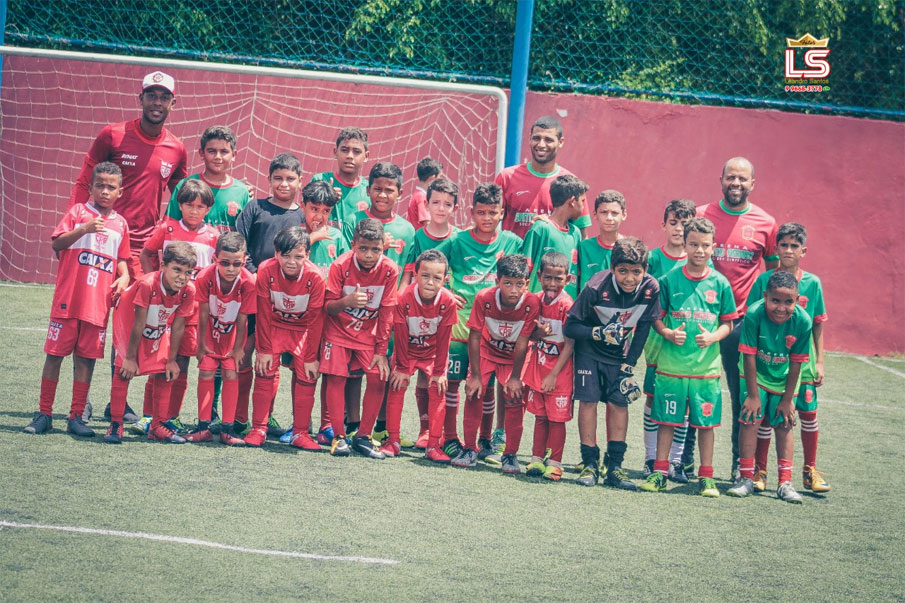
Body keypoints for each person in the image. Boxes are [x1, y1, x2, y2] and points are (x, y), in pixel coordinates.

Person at [25, 162, 130, 436]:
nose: (105, 191)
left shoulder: (121, 224)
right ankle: (44, 413)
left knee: (86, 359)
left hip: (97, 305)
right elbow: (57, 244)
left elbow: (121, 259)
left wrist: (126, 276)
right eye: (100, 185)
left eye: (111, 187)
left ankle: (76, 416)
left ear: (120, 191)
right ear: (91, 188)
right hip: (68, 300)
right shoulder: (78, 213)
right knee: (54, 356)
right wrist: (84, 229)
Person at [640, 217, 737, 497]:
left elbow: (728, 323)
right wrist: (668, 333)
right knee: (667, 421)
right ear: (685, 244)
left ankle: (707, 477)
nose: (699, 250)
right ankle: (659, 473)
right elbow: (655, 318)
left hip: (705, 370)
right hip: (671, 367)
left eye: (705, 245)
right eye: (693, 244)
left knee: (705, 425)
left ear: (713, 247)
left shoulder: (720, 283)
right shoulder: (669, 280)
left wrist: (713, 337)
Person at [698, 157, 778, 476]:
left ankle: (738, 464)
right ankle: (682, 460)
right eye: (731, 177)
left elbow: (773, 276)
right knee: (692, 388)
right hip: (700, 320)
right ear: (720, 180)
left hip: (742, 323)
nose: (736, 183)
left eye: (742, 179)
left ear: (752, 184)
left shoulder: (766, 223)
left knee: (742, 396)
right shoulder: (701, 215)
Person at [69, 71, 187, 281]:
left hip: (142, 247)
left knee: (137, 302)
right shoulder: (112, 135)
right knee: (95, 301)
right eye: (151, 96)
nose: (157, 103)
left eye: (164, 98)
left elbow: (184, 197)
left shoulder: (177, 149)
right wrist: (72, 226)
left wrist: (167, 228)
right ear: (141, 98)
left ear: (173, 103)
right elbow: (83, 183)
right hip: (103, 235)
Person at [435, 183, 524, 463]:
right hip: (460, 328)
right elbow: (433, 267)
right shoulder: (456, 241)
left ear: (502, 213)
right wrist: (445, 292)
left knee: (485, 388)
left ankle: (485, 440)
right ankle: (450, 438)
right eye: (481, 212)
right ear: (472, 212)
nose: (487, 218)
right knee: (452, 385)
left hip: (492, 334)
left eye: (493, 212)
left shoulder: (512, 242)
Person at [564, 237, 659, 490]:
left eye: (636, 271)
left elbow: (644, 327)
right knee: (588, 402)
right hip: (589, 352)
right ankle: (590, 463)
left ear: (645, 270)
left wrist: (629, 365)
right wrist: (597, 333)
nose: (629, 278)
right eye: (623, 271)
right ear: (612, 268)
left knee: (619, 403)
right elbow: (570, 326)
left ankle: (615, 466)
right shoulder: (595, 287)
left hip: (619, 355)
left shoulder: (651, 287)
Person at [745, 223, 830, 493]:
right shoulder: (764, 280)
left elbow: (817, 324)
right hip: (769, 363)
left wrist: (819, 362)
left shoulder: (812, 283)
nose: (789, 250)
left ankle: (809, 470)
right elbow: (752, 319)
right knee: (766, 416)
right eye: (784, 245)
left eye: (795, 246)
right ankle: (760, 470)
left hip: (802, 361)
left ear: (803, 251)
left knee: (806, 413)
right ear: (776, 248)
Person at [137, 179, 218, 433]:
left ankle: (171, 416)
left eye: (200, 206)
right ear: (180, 205)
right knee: (158, 362)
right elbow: (145, 254)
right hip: (164, 311)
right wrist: (153, 283)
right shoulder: (167, 228)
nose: (194, 211)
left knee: (182, 363)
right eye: (189, 205)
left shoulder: (213, 236)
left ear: (208, 209)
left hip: (193, 313)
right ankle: (148, 416)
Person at [234, 152, 305, 437]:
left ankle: (266, 417)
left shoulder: (302, 216)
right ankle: (238, 416)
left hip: (283, 299)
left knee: (271, 361)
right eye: (278, 178)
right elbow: (239, 243)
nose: (284, 184)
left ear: (300, 181)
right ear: (269, 179)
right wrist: (254, 274)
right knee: (244, 355)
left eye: (290, 179)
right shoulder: (255, 207)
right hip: (252, 291)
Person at [727, 271, 811, 504]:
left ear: (797, 300)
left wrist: (787, 400)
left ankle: (785, 483)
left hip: (784, 379)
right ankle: (746, 478)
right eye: (775, 300)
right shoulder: (754, 314)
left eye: (788, 302)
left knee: (784, 423)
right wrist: (753, 396)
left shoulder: (803, 321)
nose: (781, 308)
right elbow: (748, 356)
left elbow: (796, 363)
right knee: (749, 419)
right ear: (765, 296)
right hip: (755, 375)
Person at [451, 254, 540, 471]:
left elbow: (523, 341)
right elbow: (474, 335)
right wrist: (475, 376)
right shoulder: (484, 298)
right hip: (487, 351)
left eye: (519, 284)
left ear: (527, 284)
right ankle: (470, 449)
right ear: (497, 281)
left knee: (514, 398)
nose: (513, 290)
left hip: (514, 358)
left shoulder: (531, 303)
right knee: (474, 392)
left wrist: (516, 378)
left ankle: (510, 454)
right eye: (507, 283)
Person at [320, 218, 398, 457]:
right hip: (338, 332)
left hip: (367, 335)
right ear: (353, 245)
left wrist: (381, 351)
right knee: (336, 378)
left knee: (378, 377)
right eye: (363, 248)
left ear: (383, 247)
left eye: (376, 249)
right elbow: (328, 307)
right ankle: (339, 437)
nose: (369, 255)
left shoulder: (390, 270)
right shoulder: (340, 265)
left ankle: (363, 437)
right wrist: (347, 302)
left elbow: (387, 313)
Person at [106, 241, 196, 444]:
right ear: (163, 266)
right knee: (123, 371)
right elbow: (137, 323)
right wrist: (130, 357)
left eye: (188, 272)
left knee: (165, 369)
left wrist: (172, 359)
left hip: (156, 324)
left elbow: (179, 326)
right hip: (128, 323)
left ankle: (157, 426)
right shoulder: (147, 284)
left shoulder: (189, 290)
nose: (182, 277)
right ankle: (116, 424)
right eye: (177, 270)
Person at [245, 226, 326, 448]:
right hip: (274, 326)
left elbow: (316, 320)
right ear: (276, 253)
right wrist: (263, 349)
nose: (291, 262)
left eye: (298, 256)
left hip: (302, 329)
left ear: (307, 255)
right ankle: (259, 428)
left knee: (308, 374)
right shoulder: (266, 270)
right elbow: (263, 313)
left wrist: (311, 357)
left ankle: (300, 433)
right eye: (286, 255)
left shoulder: (315, 277)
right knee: (264, 370)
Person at [399, 177, 460, 448]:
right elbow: (409, 273)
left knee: (441, 374)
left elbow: (458, 273)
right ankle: (425, 430)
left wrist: (450, 294)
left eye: (447, 204)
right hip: (417, 311)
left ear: (455, 208)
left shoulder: (459, 237)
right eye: (436, 202)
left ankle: (446, 433)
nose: (441, 208)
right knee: (417, 371)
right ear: (427, 204)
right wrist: (401, 299)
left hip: (446, 313)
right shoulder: (418, 236)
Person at [640, 199, 696, 480]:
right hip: (657, 341)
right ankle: (651, 458)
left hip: (687, 344)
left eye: (684, 224)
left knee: (683, 402)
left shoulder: (697, 260)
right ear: (663, 225)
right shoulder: (652, 259)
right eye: (673, 223)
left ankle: (675, 461)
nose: (678, 229)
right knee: (653, 399)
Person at [186, 232, 256, 446]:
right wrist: (201, 343)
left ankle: (227, 429)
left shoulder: (248, 282)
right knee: (206, 371)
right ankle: (203, 428)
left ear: (244, 261)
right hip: (210, 334)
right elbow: (203, 312)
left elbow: (243, 318)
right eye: (225, 263)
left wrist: (238, 348)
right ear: (215, 258)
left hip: (232, 337)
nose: (230, 269)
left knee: (230, 373)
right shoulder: (205, 277)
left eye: (237, 264)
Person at [387, 249, 457, 460]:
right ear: (415, 275)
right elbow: (400, 334)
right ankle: (392, 441)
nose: (430, 282)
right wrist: (401, 367)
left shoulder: (448, 301)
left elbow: (444, 340)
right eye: (425, 276)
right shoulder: (403, 297)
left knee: (438, 388)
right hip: (407, 352)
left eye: (437, 278)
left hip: (433, 354)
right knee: (397, 384)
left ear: (445, 279)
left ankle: (433, 445)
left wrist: (439, 371)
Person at [522, 252, 575, 482]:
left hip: (559, 373)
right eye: (548, 278)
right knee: (540, 416)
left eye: (558, 279)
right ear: (539, 276)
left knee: (556, 419)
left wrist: (554, 374)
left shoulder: (567, 305)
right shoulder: (535, 300)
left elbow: (570, 344)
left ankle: (554, 463)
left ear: (568, 279)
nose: (552, 284)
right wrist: (538, 333)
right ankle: (536, 458)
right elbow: (528, 335)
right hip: (539, 369)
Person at [494, 115, 591, 239]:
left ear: (560, 142)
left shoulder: (572, 184)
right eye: (536, 138)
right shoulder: (506, 177)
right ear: (529, 139)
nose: (541, 144)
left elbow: (582, 235)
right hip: (514, 252)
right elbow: (487, 220)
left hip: (555, 252)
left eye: (548, 140)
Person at [164, 125, 250, 233]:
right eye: (212, 151)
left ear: (233, 155)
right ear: (201, 153)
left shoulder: (242, 192)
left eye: (224, 151)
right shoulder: (184, 186)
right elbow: (169, 228)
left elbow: (246, 235)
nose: (218, 157)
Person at [343, 161, 415, 274]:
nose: (382, 195)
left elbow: (407, 272)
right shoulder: (353, 221)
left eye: (389, 190)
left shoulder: (407, 230)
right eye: (377, 189)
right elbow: (345, 262)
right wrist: (378, 247)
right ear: (368, 190)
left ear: (399, 194)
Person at [521, 174, 587, 300]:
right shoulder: (541, 228)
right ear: (573, 201)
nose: (583, 207)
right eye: (582, 201)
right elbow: (524, 269)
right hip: (538, 304)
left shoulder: (576, 233)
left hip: (566, 307)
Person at [311, 127, 370, 232]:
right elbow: (306, 216)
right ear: (335, 152)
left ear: (366, 156)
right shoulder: (320, 180)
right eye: (344, 150)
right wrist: (324, 198)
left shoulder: (369, 190)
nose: (349, 156)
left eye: (356, 152)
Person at [576, 190, 627, 291]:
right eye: (604, 212)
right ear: (595, 214)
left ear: (623, 215)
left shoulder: (630, 249)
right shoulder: (584, 248)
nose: (609, 218)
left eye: (614, 213)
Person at [406, 157, 444, 228]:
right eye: (440, 177)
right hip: (419, 234)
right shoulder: (421, 197)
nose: (442, 180)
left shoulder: (418, 194)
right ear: (432, 178)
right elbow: (427, 224)